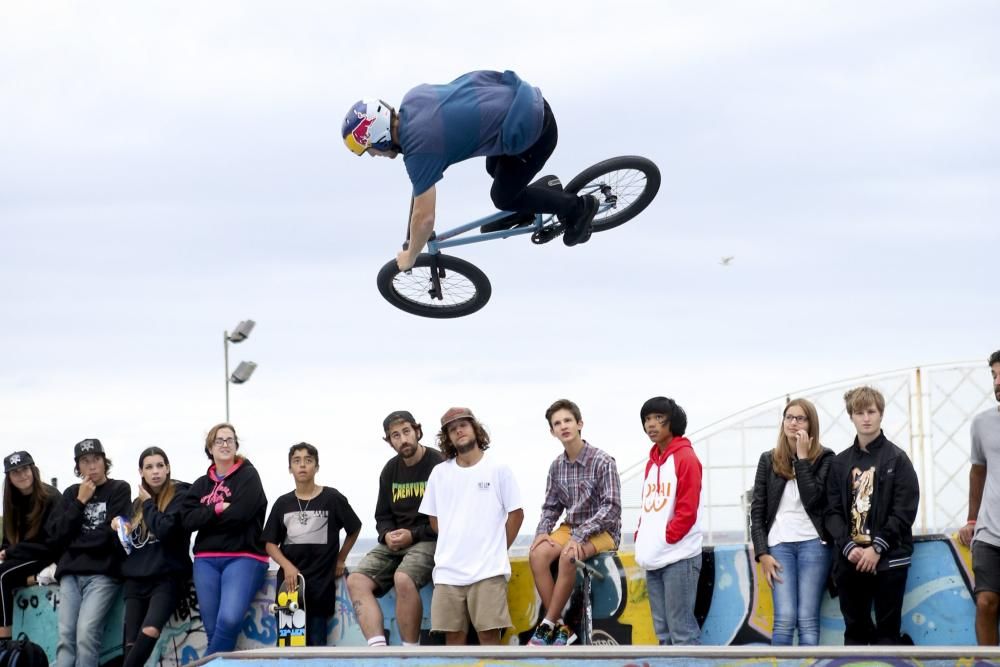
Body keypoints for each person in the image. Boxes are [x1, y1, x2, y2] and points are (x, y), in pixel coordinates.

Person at [342, 70, 603, 269]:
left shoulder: (420, 150)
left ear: (378, 136)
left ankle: (578, 208)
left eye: (370, 150)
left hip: (536, 129)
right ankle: (536, 201)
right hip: (524, 99)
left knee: (503, 197)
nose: (375, 155)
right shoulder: (414, 97)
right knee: (496, 168)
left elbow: (425, 219)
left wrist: (411, 256)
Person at [419, 407, 523, 645]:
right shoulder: (439, 473)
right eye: (452, 429)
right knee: (453, 643)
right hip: (447, 571)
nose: (458, 431)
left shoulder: (498, 469)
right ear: (448, 438)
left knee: (489, 640)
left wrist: (497, 548)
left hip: (488, 571)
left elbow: (516, 514)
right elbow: (434, 519)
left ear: (475, 429)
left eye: (463, 425)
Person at [824, 386, 919, 645]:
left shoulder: (898, 460)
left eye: (871, 411)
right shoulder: (839, 463)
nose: (866, 418)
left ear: (881, 414)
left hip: (889, 561)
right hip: (850, 561)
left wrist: (877, 547)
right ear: (851, 416)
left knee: (887, 636)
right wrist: (848, 547)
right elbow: (831, 512)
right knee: (854, 635)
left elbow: (905, 511)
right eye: (859, 412)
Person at [527, 399, 622, 646]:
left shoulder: (603, 461)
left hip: (603, 529)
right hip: (571, 527)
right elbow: (551, 507)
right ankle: (561, 629)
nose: (563, 426)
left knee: (569, 555)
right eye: (557, 423)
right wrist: (541, 532)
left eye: (568, 420)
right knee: (537, 554)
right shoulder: (557, 466)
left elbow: (611, 509)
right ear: (552, 431)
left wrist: (579, 536)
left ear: (579, 423)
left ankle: (546, 625)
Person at [347, 411, 443, 647]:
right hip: (395, 542)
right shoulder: (390, 470)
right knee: (356, 580)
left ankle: (409, 653)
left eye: (407, 432)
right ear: (389, 441)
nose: (403, 439)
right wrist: (386, 534)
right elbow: (382, 515)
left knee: (403, 578)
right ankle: (378, 650)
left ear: (417, 431)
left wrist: (415, 535)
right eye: (395, 435)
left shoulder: (439, 465)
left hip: (429, 539)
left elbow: (447, 518)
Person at [750, 399, 834, 646]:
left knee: (807, 618)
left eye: (801, 418)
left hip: (814, 545)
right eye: (789, 417)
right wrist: (762, 553)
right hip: (779, 546)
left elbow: (814, 500)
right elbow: (757, 511)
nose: (794, 422)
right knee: (784, 619)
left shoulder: (826, 458)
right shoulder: (768, 459)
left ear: (811, 424)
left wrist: (803, 458)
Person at [181, 423, 268, 656]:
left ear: (236, 445)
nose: (225, 444)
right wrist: (217, 508)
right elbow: (187, 521)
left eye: (230, 440)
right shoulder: (201, 484)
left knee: (228, 621)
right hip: (206, 560)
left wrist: (205, 518)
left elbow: (242, 515)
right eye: (219, 440)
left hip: (244, 557)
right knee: (213, 630)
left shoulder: (248, 475)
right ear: (210, 447)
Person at [264, 442, 362, 646]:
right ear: (290, 468)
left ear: (316, 467)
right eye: (296, 461)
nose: (302, 466)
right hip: (290, 590)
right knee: (290, 653)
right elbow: (270, 544)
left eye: (308, 461)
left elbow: (354, 528)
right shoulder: (283, 503)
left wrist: (341, 558)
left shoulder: (332, 498)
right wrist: (287, 565)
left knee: (317, 650)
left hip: (320, 587)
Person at [46, 438, 132, 667]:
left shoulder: (119, 489)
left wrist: (74, 542)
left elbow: (111, 537)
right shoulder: (71, 493)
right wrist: (80, 501)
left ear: (105, 462)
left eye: (96, 460)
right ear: (78, 467)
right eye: (85, 461)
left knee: (86, 634)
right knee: (65, 638)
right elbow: (56, 535)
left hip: (103, 574)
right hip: (70, 575)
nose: (92, 466)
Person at [633, 396, 703, 646]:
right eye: (647, 419)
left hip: (679, 558)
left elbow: (687, 510)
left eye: (658, 419)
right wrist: (642, 536)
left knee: (682, 631)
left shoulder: (686, 458)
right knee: (663, 634)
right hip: (654, 557)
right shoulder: (652, 462)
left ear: (671, 422)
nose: (651, 425)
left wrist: (666, 538)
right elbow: (648, 508)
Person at [114, 447, 191, 667]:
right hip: (135, 580)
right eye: (149, 467)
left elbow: (167, 530)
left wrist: (149, 503)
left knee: (150, 630)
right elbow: (129, 545)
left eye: (160, 466)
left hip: (167, 578)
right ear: (141, 472)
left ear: (167, 468)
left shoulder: (181, 495)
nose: (155, 471)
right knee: (130, 643)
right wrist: (119, 525)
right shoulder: (136, 504)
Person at [958, 350, 1000, 645]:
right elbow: (978, 472)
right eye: (994, 375)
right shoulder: (982, 423)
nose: (997, 381)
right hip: (989, 533)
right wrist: (972, 519)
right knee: (986, 602)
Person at [0, 451, 60, 640]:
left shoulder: (50, 496)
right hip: (24, 556)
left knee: (1, 577)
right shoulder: (12, 500)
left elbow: (51, 543)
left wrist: (11, 552)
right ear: (9, 478)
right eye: (15, 472)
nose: (22, 475)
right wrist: (4, 550)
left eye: (25, 469)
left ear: (33, 469)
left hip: (47, 554)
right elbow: (9, 538)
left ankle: (4, 640)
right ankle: (34, 578)